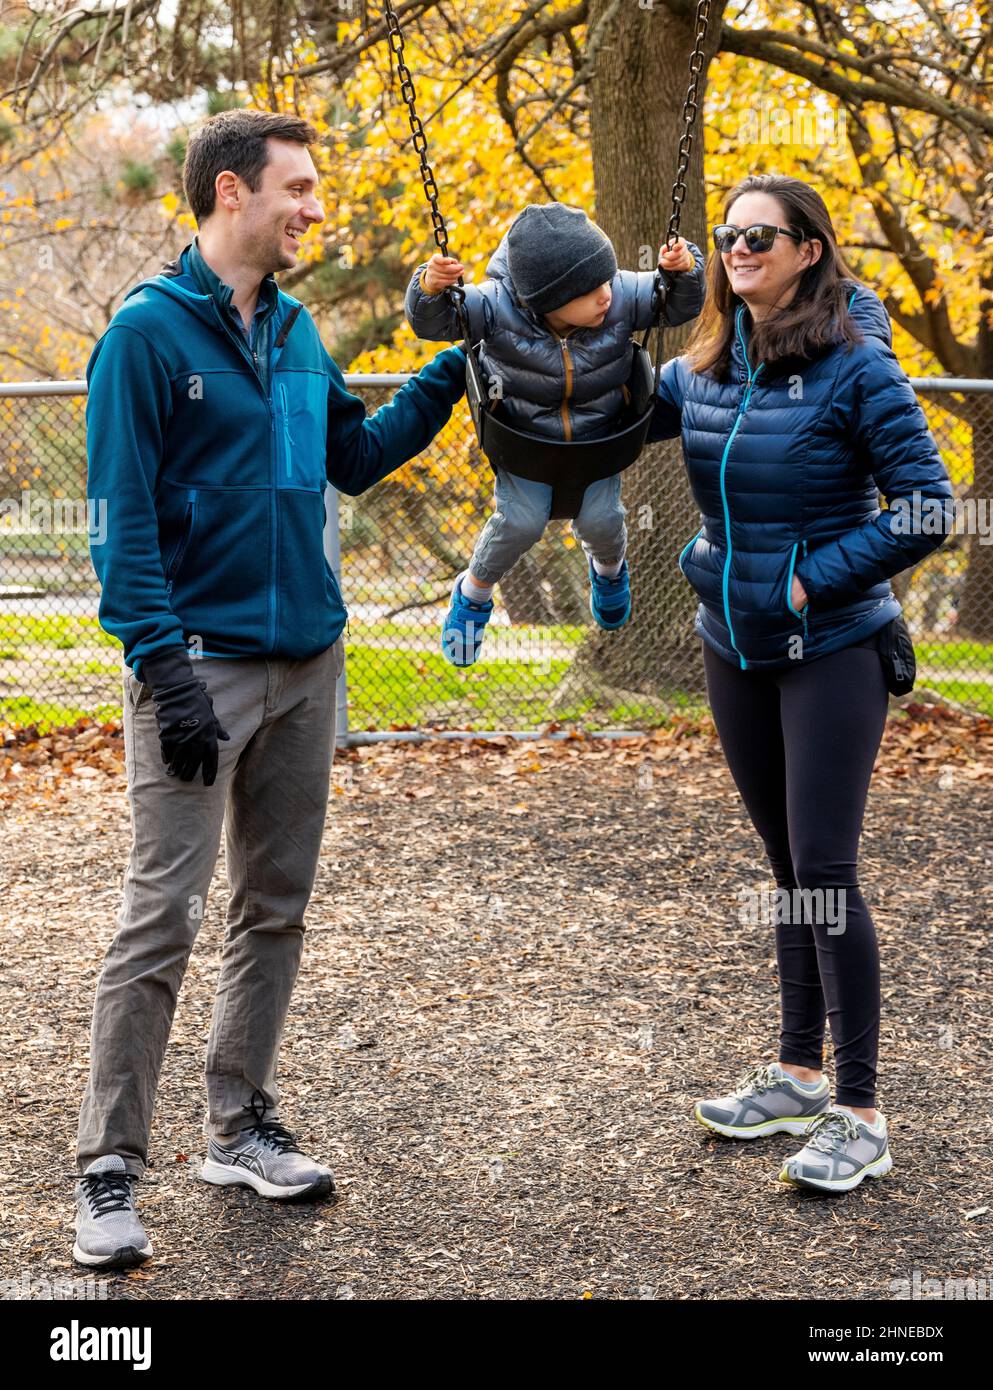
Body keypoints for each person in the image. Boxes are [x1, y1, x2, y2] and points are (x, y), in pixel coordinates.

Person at [74, 109, 468, 1268]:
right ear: (232, 192)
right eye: (299, 188)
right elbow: (119, 521)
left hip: (310, 666)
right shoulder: (144, 338)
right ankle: (109, 1169)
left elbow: (355, 455)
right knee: (162, 916)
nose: (314, 208)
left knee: (275, 904)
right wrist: (164, 666)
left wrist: (454, 372)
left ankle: (239, 1124)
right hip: (196, 669)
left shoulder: (298, 332)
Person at [648, 173, 953, 1193]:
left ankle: (860, 1113)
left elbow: (927, 508)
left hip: (832, 649)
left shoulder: (856, 367)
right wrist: (499, 338)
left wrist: (805, 578)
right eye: (728, 234)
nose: (739, 248)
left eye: (760, 236)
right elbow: (600, 414)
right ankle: (794, 1071)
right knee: (785, 865)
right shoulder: (705, 363)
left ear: (808, 250)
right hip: (731, 644)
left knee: (824, 867)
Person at [404, 202, 706, 664]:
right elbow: (435, 321)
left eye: (607, 280)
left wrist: (684, 270)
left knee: (602, 522)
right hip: (526, 444)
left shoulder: (620, 295)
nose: (605, 294)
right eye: (590, 290)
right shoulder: (494, 306)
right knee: (519, 523)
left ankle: (608, 571)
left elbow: (679, 302)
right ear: (548, 298)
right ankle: (474, 593)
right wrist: (428, 286)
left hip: (597, 442)